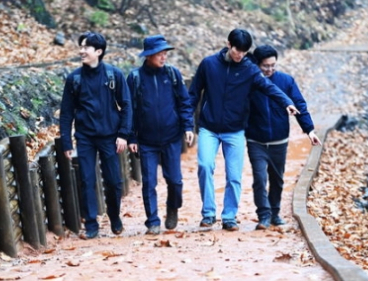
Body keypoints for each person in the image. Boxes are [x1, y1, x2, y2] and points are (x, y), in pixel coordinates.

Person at [188, 29, 299, 232]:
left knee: (234, 176)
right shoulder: (209, 64)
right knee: (205, 165)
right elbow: (193, 94)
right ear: (229, 44)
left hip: (235, 130)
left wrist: (286, 102)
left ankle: (229, 216)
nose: (240, 54)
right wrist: (188, 125)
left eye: (244, 51)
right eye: (237, 50)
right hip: (209, 128)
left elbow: (268, 87)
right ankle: (209, 213)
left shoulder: (249, 69)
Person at [59, 31, 132, 239]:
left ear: (98, 51)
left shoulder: (113, 75)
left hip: (110, 136)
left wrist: (123, 134)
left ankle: (114, 217)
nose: (81, 51)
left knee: (113, 181)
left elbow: (126, 105)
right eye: (80, 47)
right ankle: (91, 224)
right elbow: (66, 112)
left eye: (86, 47)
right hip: (85, 137)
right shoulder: (74, 79)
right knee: (87, 179)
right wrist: (66, 142)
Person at [247, 45, 321, 230]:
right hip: (256, 139)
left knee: (277, 178)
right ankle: (263, 215)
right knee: (259, 178)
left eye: (273, 65)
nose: (269, 69)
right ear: (257, 65)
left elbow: (299, 105)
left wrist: (309, 130)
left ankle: (275, 213)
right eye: (265, 66)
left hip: (279, 139)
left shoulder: (285, 81)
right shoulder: (250, 82)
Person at [128, 35, 195, 235]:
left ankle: (173, 209)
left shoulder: (173, 74)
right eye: (160, 53)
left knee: (175, 180)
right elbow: (128, 109)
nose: (164, 57)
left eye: (165, 53)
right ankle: (153, 221)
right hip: (146, 140)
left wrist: (188, 127)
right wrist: (131, 137)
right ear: (149, 55)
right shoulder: (135, 78)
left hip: (172, 137)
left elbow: (184, 102)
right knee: (149, 182)